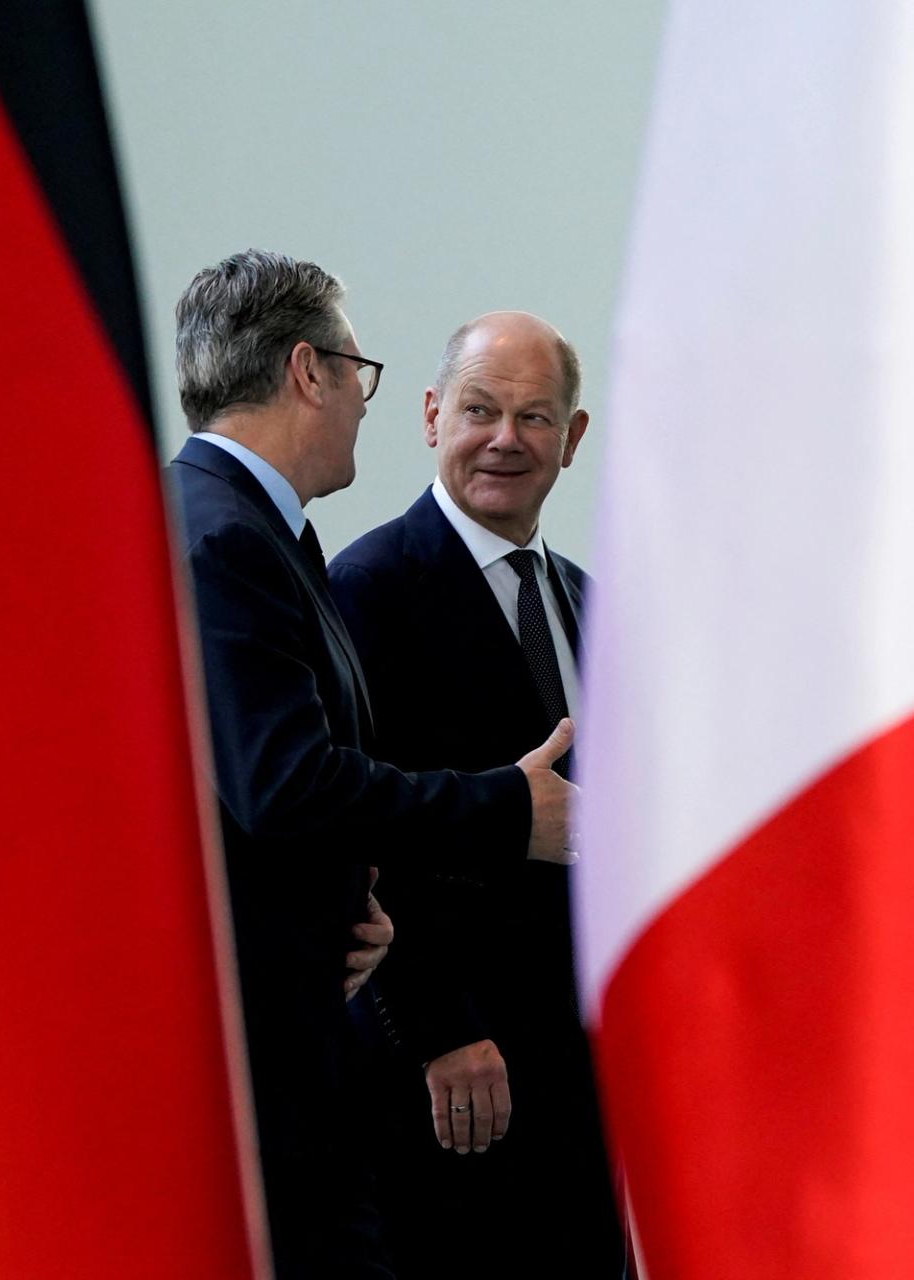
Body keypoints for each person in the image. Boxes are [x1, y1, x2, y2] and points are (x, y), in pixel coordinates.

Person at [165, 255, 579, 1280]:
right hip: (334, 1061)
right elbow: (289, 782)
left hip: (524, 1050)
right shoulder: (248, 543)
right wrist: (502, 810)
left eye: (536, 417)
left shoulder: (264, 533)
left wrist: (346, 897)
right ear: (311, 371)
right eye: (361, 373)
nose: (361, 400)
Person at [329, 312, 625, 1277]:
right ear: (429, 417)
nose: (506, 439)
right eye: (480, 410)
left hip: (585, 1074)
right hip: (454, 1074)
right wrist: (439, 1027)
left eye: (535, 416)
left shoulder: (589, 598)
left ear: (572, 439)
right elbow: (354, 827)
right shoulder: (366, 588)